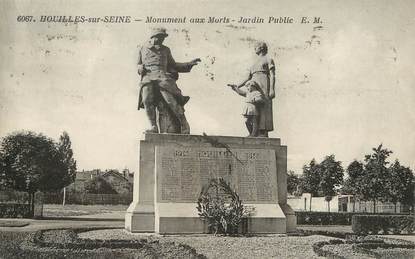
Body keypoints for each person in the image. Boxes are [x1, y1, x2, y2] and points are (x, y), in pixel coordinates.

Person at [137, 28, 200, 134]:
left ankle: (184, 124)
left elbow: (173, 65)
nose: (162, 39)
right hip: (148, 78)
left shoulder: (166, 50)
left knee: (171, 102)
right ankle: (153, 126)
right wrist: (140, 68)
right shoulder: (142, 48)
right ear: (153, 37)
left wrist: (188, 64)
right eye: (160, 37)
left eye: (163, 37)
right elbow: (138, 64)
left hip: (163, 78)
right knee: (147, 100)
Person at [229, 42, 275, 137]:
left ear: (261, 48)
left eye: (256, 47)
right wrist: (237, 86)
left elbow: (273, 75)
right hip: (254, 84)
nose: (255, 49)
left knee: (264, 106)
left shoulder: (268, 60)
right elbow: (247, 78)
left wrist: (272, 89)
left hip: (264, 83)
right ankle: (255, 131)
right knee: (254, 109)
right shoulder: (253, 64)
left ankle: (263, 131)